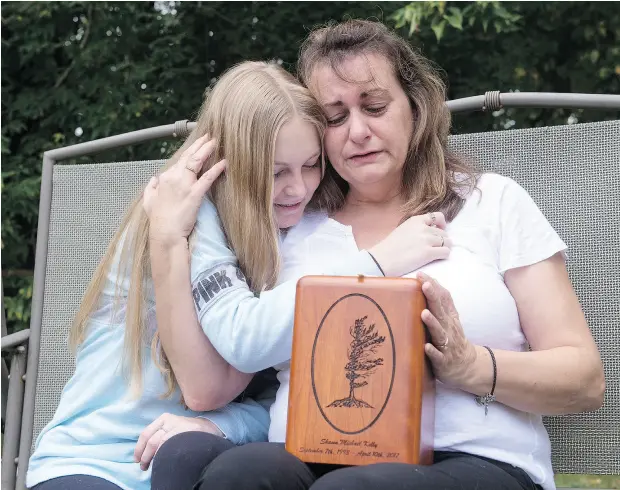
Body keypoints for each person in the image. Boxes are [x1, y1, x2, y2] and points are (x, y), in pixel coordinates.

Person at [149, 19, 605, 490]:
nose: (358, 132)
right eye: (335, 117)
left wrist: (472, 365)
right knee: (238, 475)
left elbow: (584, 378)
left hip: (472, 460)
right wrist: (171, 227)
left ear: (415, 104)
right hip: (310, 450)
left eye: (375, 106)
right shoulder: (291, 223)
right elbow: (227, 363)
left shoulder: (491, 203)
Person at [27, 60, 327, 490]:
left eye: (311, 165)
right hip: (95, 460)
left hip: (191, 458)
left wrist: (225, 425)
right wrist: (168, 239)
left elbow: (285, 393)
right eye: (277, 171)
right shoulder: (188, 216)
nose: (298, 188)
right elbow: (206, 389)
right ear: (228, 163)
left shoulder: (297, 233)